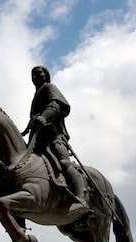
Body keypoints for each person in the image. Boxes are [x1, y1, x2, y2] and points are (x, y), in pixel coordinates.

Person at [23, 65, 88, 213]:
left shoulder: (49, 88)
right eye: (33, 75)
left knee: (64, 162)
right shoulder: (36, 95)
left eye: (39, 73)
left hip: (54, 136)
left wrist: (43, 117)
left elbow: (55, 106)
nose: (35, 76)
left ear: (46, 75)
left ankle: (80, 198)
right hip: (38, 139)